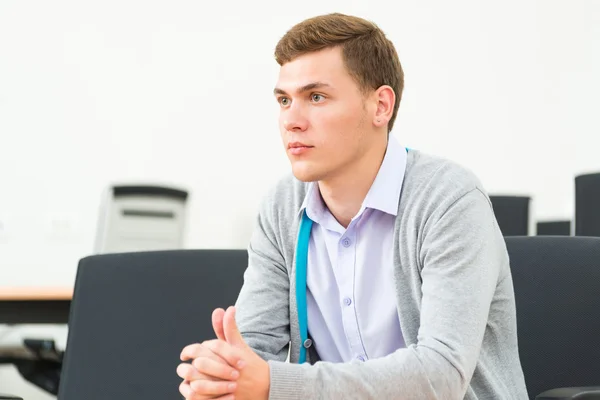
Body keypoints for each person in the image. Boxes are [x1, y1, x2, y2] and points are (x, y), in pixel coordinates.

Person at [177, 12, 528, 400]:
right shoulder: (282, 207)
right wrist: (221, 375)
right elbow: (252, 356)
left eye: (316, 97)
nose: (291, 120)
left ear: (381, 106)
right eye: (283, 100)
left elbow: (440, 375)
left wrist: (274, 384)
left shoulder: (448, 200)